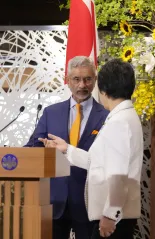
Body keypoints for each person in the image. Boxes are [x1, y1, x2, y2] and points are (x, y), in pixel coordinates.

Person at [39, 59, 143, 239]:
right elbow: (99, 162)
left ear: (101, 88)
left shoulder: (118, 121)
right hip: (116, 212)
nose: (82, 85)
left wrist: (110, 214)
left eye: (88, 79)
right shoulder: (126, 116)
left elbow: (119, 175)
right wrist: (67, 149)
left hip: (113, 216)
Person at [25, 56, 109, 239]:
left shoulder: (107, 117)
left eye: (87, 79)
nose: (82, 85)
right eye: (76, 79)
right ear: (67, 81)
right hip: (55, 201)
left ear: (94, 80)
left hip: (89, 203)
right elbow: (32, 147)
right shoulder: (50, 113)